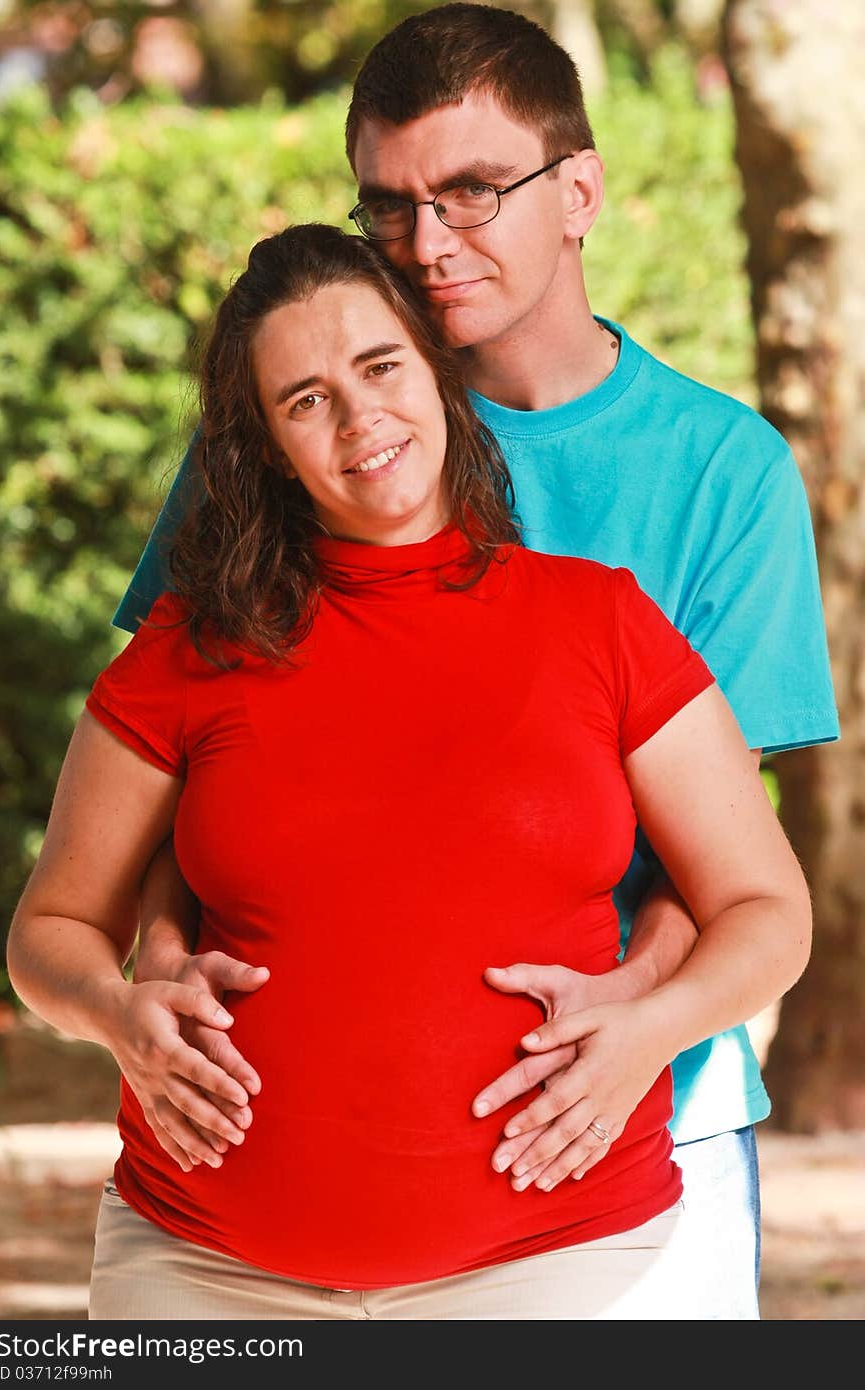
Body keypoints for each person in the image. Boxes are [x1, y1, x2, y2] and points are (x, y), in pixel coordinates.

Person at [109, 5, 838, 1317]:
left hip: (634, 1137)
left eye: (472, 192)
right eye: (389, 206)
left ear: (580, 194)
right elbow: (195, 750)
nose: (427, 245)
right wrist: (158, 949)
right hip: (278, 1190)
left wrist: (633, 1019)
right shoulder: (301, 436)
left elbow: (721, 854)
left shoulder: (720, 472)